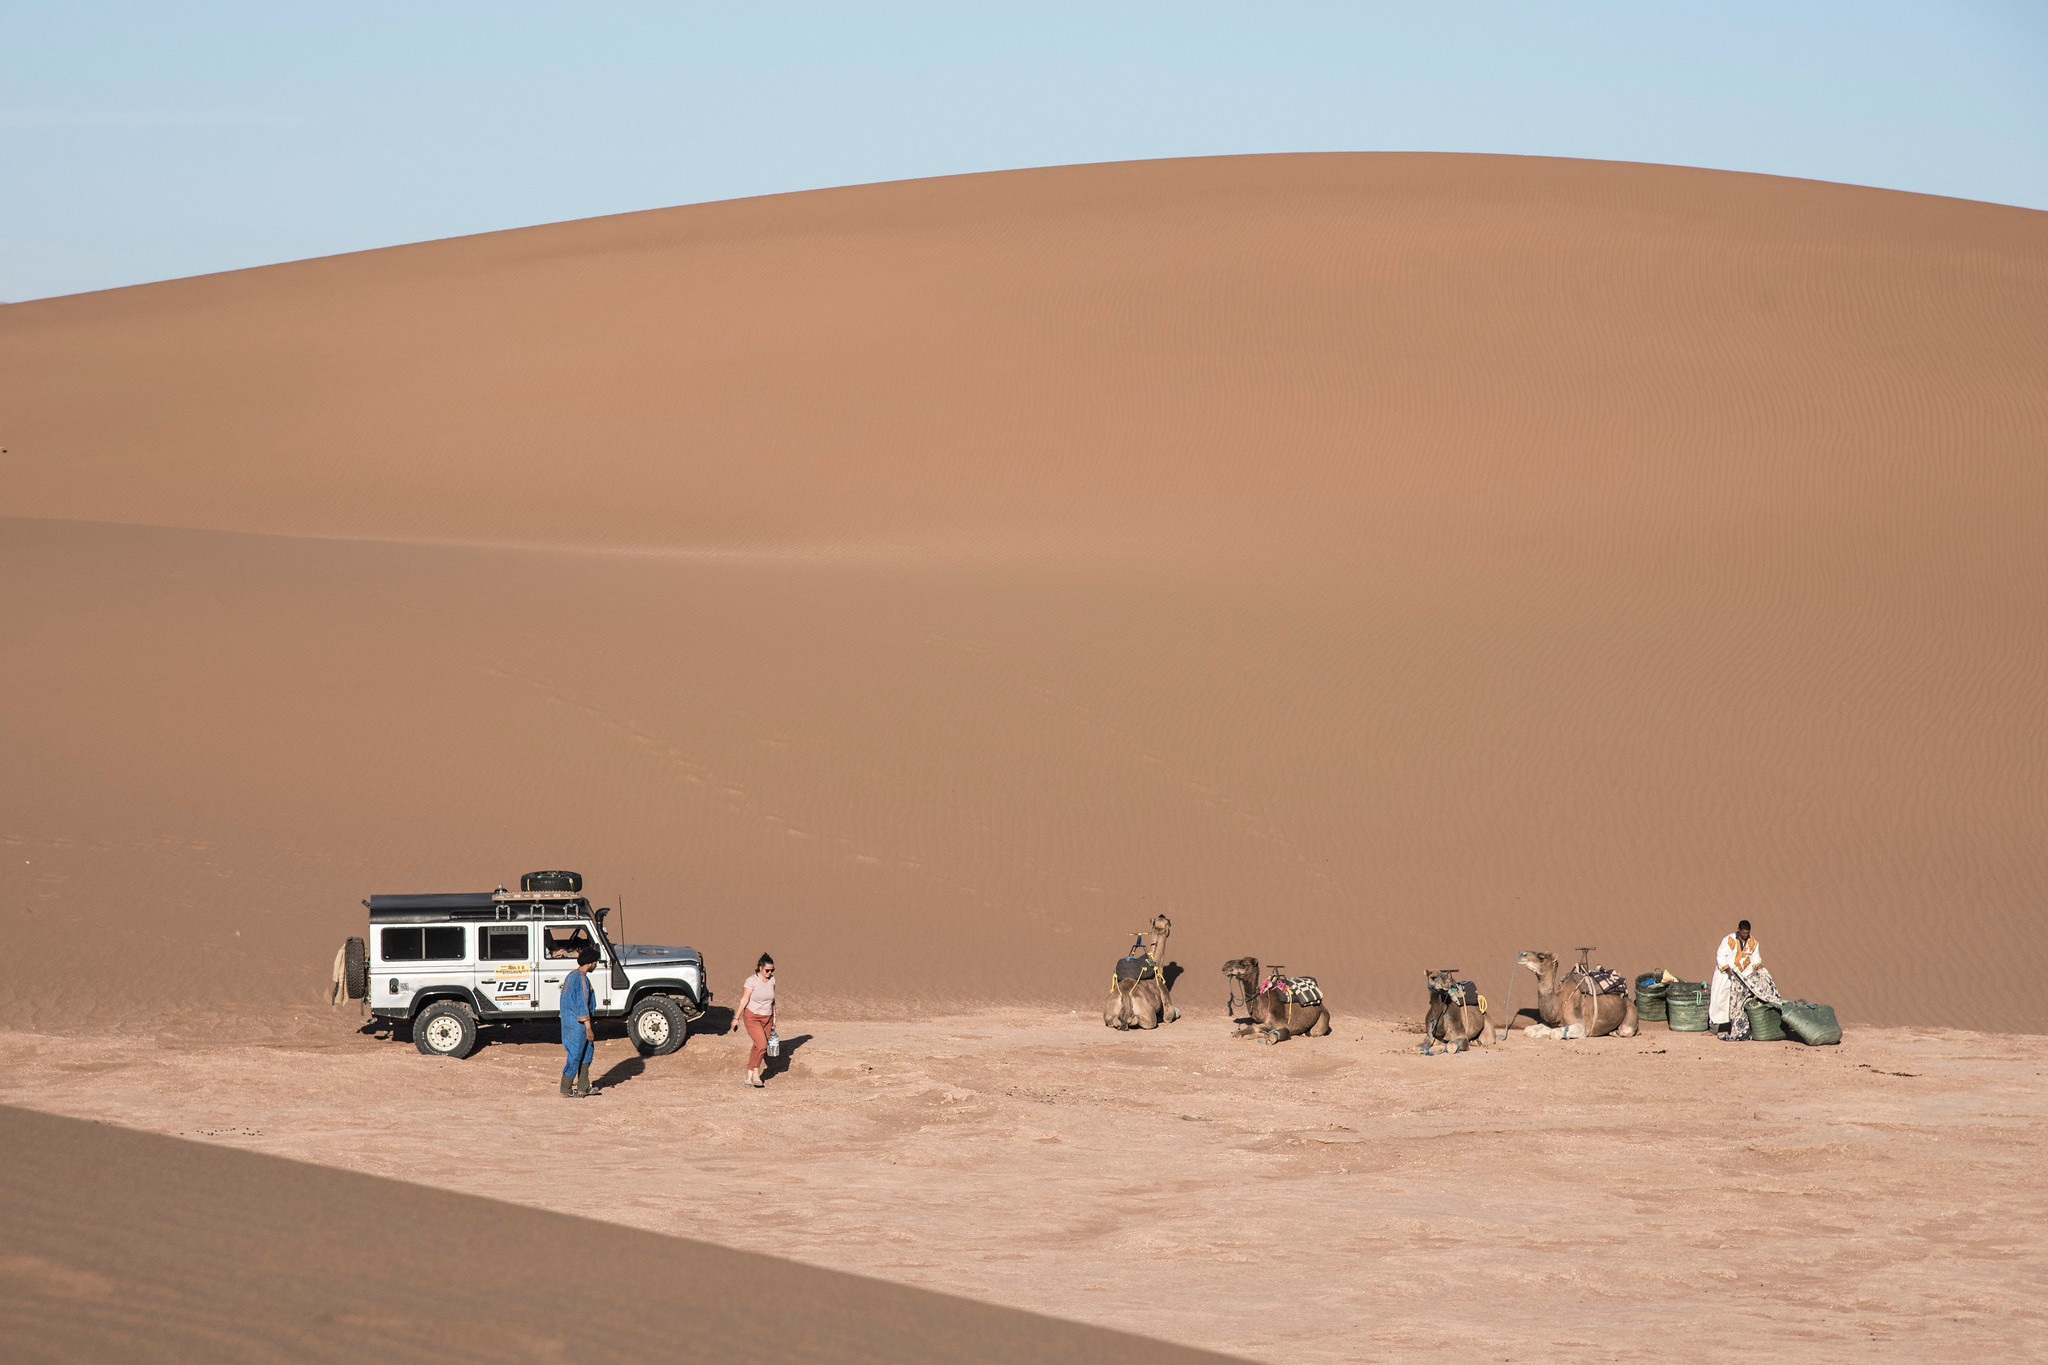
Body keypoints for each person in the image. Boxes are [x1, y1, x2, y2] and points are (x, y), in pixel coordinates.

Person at [1711, 920, 1780, 1041]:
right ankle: (1714, 1027)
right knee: (1720, 998)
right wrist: (1728, 969)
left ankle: (1734, 1025)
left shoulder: (1753, 942)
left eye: (1747, 933)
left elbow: (1755, 957)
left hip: (1743, 977)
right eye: (1743, 933)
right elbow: (1720, 955)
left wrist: (1759, 966)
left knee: (1738, 1002)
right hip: (1725, 975)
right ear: (1738, 930)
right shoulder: (1729, 940)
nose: (1745, 935)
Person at [732, 953, 777, 1088]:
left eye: (772, 970)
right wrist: (736, 1018)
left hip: (767, 1018)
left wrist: (775, 1017)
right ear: (760, 968)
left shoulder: (772, 980)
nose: (769, 973)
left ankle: (749, 1074)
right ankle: (757, 1074)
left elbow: (773, 1000)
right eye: (767, 970)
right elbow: (744, 999)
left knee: (757, 1046)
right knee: (762, 1045)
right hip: (752, 1017)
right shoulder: (751, 980)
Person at [559, 946, 598, 1097]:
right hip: (579, 1024)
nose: (596, 965)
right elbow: (582, 1003)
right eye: (595, 962)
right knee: (575, 1054)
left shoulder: (571, 975)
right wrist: (588, 1027)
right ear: (590, 963)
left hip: (569, 1022)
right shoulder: (581, 978)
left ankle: (583, 1087)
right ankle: (566, 1088)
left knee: (586, 1052)